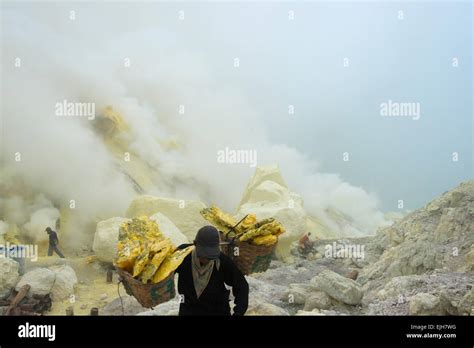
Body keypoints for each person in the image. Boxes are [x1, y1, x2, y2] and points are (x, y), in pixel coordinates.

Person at [175, 225, 249, 316]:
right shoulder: (182, 257)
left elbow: (241, 286)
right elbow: (163, 276)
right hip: (188, 309)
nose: (206, 260)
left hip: (217, 309)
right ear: (195, 244)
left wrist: (238, 311)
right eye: (203, 255)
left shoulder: (222, 261)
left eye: (210, 257)